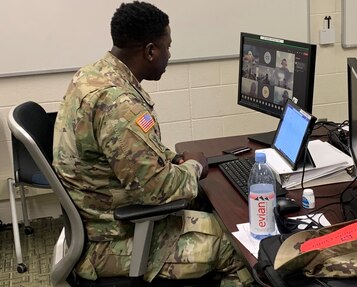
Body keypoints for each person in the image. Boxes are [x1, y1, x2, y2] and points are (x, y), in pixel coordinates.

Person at [52, 1, 251, 286]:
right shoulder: (119, 105)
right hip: (112, 242)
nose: (169, 55)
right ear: (150, 50)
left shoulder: (93, 75)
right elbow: (155, 190)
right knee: (236, 245)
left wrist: (172, 159)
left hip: (98, 219)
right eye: (167, 47)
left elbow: (125, 152)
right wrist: (194, 166)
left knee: (210, 205)